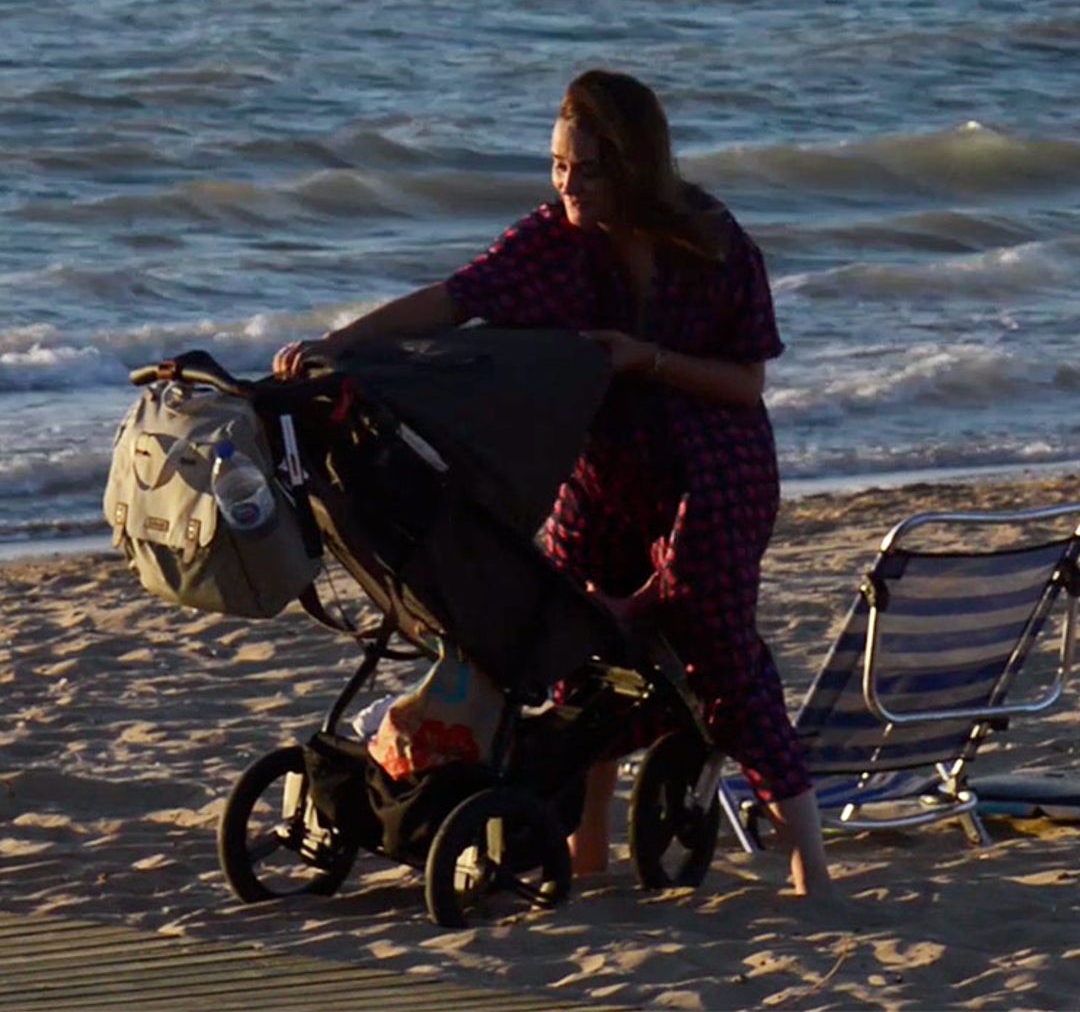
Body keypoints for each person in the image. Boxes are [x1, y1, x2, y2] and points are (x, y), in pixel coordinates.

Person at [274, 69, 832, 898]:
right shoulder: (555, 239)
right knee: (565, 633)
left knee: (714, 653)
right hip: (605, 467)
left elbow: (747, 383)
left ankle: (808, 869)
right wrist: (338, 346)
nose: (567, 183)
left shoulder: (713, 244)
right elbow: (453, 299)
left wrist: (641, 358)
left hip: (715, 468)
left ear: (634, 167)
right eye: (558, 165)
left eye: (587, 169)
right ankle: (586, 847)